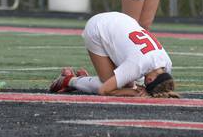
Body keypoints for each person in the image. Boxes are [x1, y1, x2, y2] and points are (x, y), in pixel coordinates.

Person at [49, 11, 178, 98]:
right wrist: (131, 92)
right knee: (110, 83)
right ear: (149, 80)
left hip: (121, 19)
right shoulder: (138, 64)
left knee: (126, 81)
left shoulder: (166, 63)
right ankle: (69, 80)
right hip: (98, 27)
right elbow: (103, 90)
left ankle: (85, 81)